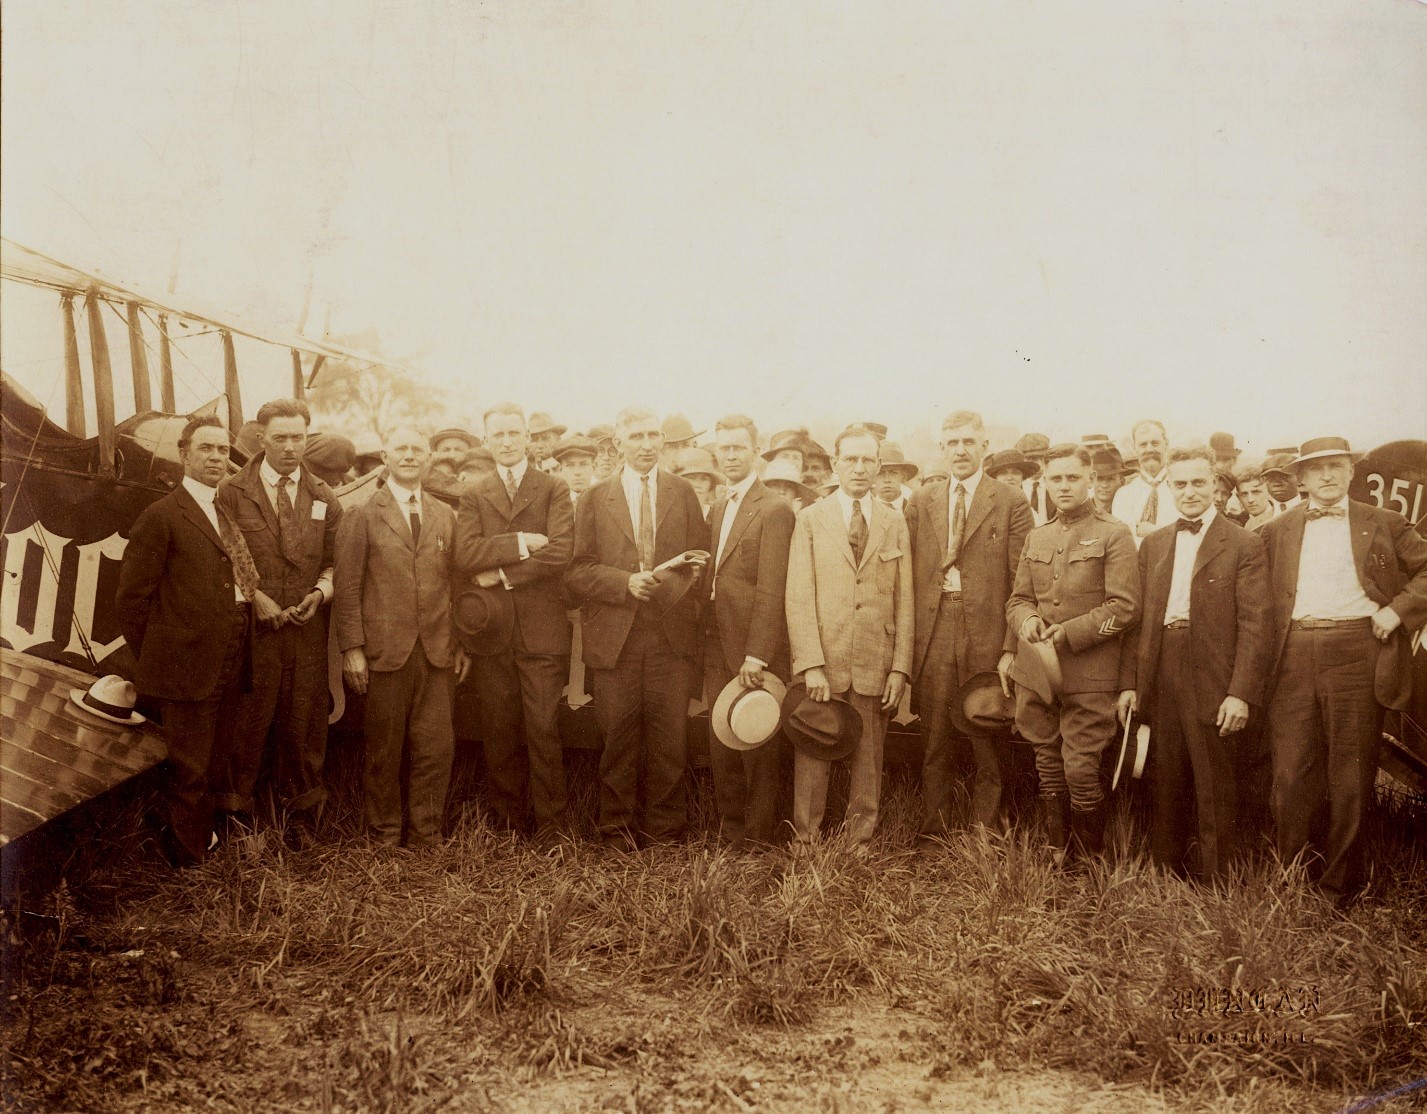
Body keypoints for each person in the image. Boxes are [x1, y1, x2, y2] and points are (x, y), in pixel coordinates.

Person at [1259, 436, 1427, 904]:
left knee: (1350, 774)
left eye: (1336, 466)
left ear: (1351, 472)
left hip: (1358, 650)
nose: (1327, 476)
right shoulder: (1278, 529)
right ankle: (1292, 878)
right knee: (1291, 771)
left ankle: (1339, 886)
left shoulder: (1386, 522)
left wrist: (1397, 611)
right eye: (1316, 469)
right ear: (1301, 478)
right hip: (1291, 653)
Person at [1117, 447, 1270, 881]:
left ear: (1217, 487)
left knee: (1212, 775)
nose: (1189, 492)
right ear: (1169, 488)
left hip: (1214, 670)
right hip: (1161, 663)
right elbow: (1137, 619)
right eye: (1180, 484)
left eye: (1198, 483)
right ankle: (1165, 872)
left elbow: (1256, 624)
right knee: (1163, 770)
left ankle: (1216, 879)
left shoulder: (1244, 542)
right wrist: (1130, 683)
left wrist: (1239, 692)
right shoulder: (1154, 542)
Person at [565, 406, 711, 849]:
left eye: (654, 436)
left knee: (671, 740)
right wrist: (624, 582)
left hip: (670, 639)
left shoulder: (682, 492)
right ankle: (616, 832)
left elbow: (702, 558)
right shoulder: (595, 498)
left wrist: (683, 579)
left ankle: (666, 833)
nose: (647, 444)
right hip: (616, 641)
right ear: (619, 443)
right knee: (617, 737)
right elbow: (576, 573)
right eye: (637, 436)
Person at [117, 415, 258, 865]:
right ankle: (187, 865)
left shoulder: (224, 512)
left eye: (223, 450)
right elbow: (131, 601)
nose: (217, 457)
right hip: (186, 664)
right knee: (188, 769)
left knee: (214, 762)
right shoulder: (161, 516)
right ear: (184, 454)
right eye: (206, 449)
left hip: (231, 654)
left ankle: (202, 848)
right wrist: (164, 656)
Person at [215, 399, 342, 847]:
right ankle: (236, 822)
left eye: (298, 438)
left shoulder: (323, 495)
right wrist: (256, 598)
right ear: (261, 438)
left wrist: (319, 593)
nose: (290, 448)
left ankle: (300, 820)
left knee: (303, 719)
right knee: (247, 718)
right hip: (252, 629)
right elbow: (223, 554)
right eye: (280, 438)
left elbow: (335, 562)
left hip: (305, 629)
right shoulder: (231, 492)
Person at [335, 427, 469, 848]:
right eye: (401, 449)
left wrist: (460, 642)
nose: (410, 455)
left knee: (436, 748)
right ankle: (385, 834)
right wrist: (352, 649)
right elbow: (348, 584)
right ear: (386, 457)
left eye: (417, 449)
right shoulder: (361, 513)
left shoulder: (445, 514)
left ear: (429, 458)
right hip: (383, 653)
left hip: (436, 652)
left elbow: (457, 583)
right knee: (384, 750)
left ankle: (427, 834)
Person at [1007, 444, 1140, 859]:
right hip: (1038, 675)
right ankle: (1056, 855)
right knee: (1048, 766)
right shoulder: (1037, 534)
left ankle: (1087, 863)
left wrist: (1068, 634)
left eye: (1072, 478)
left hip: (1090, 675)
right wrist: (1026, 622)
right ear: (1044, 483)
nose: (1063, 486)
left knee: (1080, 769)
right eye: (1055, 479)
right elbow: (1018, 600)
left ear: (1090, 481)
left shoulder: (1114, 532)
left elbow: (1125, 607)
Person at [785, 425, 914, 850]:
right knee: (814, 747)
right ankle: (805, 839)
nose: (859, 469)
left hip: (874, 658)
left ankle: (859, 840)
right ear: (836, 464)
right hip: (826, 657)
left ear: (879, 467)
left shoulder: (894, 520)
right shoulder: (811, 518)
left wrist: (899, 667)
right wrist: (810, 664)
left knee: (868, 757)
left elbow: (904, 598)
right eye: (851, 460)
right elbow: (799, 594)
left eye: (867, 461)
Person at [908, 411, 1034, 837]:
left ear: (984, 447)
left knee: (987, 732)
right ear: (941, 450)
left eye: (968, 442)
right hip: (935, 627)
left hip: (986, 631)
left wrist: (1009, 647)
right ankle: (933, 831)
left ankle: (987, 832)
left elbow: (1023, 581)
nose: (960, 450)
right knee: (934, 738)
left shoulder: (1010, 500)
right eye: (951, 443)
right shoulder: (923, 500)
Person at [455, 404, 575, 839]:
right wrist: (524, 541)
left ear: (527, 437)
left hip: (542, 632)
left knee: (543, 727)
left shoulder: (553, 487)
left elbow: (562, 552)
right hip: (492, 633)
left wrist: (503, 573)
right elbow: (466, 553)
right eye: (497, 435)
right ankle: (506, 826)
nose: (506, 442)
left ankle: (552, 828)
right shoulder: (474, 492)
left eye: (513, 433)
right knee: (499, 729)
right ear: (486, 441)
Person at [701, 414, 796, 848]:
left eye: (739, 447)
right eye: (724, 449)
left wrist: (757, 653)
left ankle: (758, 838)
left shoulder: (774, 508)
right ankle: (732, 832)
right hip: (716, 641)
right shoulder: (720, 506)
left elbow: (772, 588)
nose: (731, 455)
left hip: (753, 648)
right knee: (723, 738)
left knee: (757, 739)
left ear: (755, 451)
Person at [1112, 419, 1175, 545]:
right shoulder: (1124, 495)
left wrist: (1154, 532)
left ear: (1166, 444)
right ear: (1134, 449)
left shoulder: (1181, 488)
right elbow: (1124, 543)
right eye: (1143, 444)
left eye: (1155, 443)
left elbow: (1188, 536)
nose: (1149, 449)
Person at [675, 447, 722, 519]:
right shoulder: (670, 513)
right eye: (691, 478)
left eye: (704, 479)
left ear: (711, 484)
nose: (698, 485)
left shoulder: (717, 516)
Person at [1017, 433, 1054, 525]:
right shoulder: (1014, 488)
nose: (1039, 465)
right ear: (1022, 460)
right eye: (1032, 459)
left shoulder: (1054, 485)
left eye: (1043, 459)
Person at [552, 435, 599, 501]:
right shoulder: (554, 500)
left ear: (594, 466)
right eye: (570, 465)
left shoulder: (604, 497)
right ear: (560, 469)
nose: (577, 472)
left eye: (583, 464)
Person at [873, 444, 918, 512]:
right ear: (872, 478)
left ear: (904, 477)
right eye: (880, 473)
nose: (887, 480)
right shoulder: (865, 513)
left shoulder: (916, 511)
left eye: (893, 473)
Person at [1234, 462, 1275, 531]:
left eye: (1256, 492)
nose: (1250, 500)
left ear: (1268, 492)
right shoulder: (1237, 523)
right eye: (1244, 494)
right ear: (1238, 498)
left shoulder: (1280, 517)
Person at [1091, 447, 1128, 515]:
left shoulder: (1128, 511)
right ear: (1092, 480)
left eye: (1110, 479)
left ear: (1122, 481)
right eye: (1099, 478)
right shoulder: (1082, 512)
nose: (1104, 485)